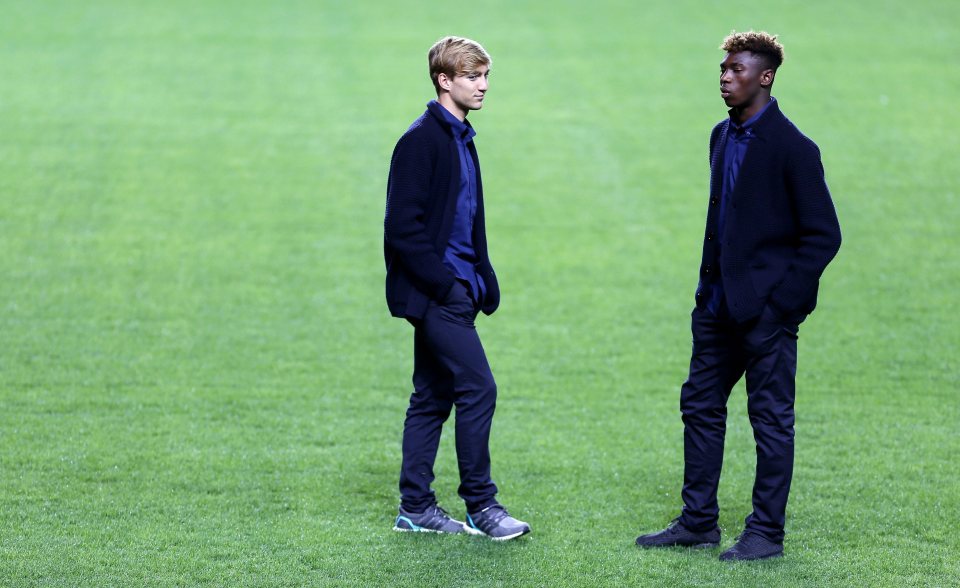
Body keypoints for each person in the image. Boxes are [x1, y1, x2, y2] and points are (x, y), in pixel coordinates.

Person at [635, 31, 842, 561]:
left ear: (765, 77)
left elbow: (823, 235)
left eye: (736, 69)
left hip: (765, 317)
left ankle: (766, 534)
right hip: (716, 309)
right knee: (700, 406)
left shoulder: (794, 149)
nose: (725, 76)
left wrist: (782, 306)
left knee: (770, 421)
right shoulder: (720, 136)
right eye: (723, 69)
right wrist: (707, 294)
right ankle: (698, 522)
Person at [383, 36, 530, 541]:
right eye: (473, 77)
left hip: (457, 289)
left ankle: (415, 508)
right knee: (478, 387)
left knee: (432, 394)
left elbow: (467, 220)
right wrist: (448, 286)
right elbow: (402, 228)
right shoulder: (422, 140)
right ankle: (481, 506)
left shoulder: (461, 137)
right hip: (439, 295)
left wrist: (483, 278)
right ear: (445, 81)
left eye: (486, 76)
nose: (483, 86)